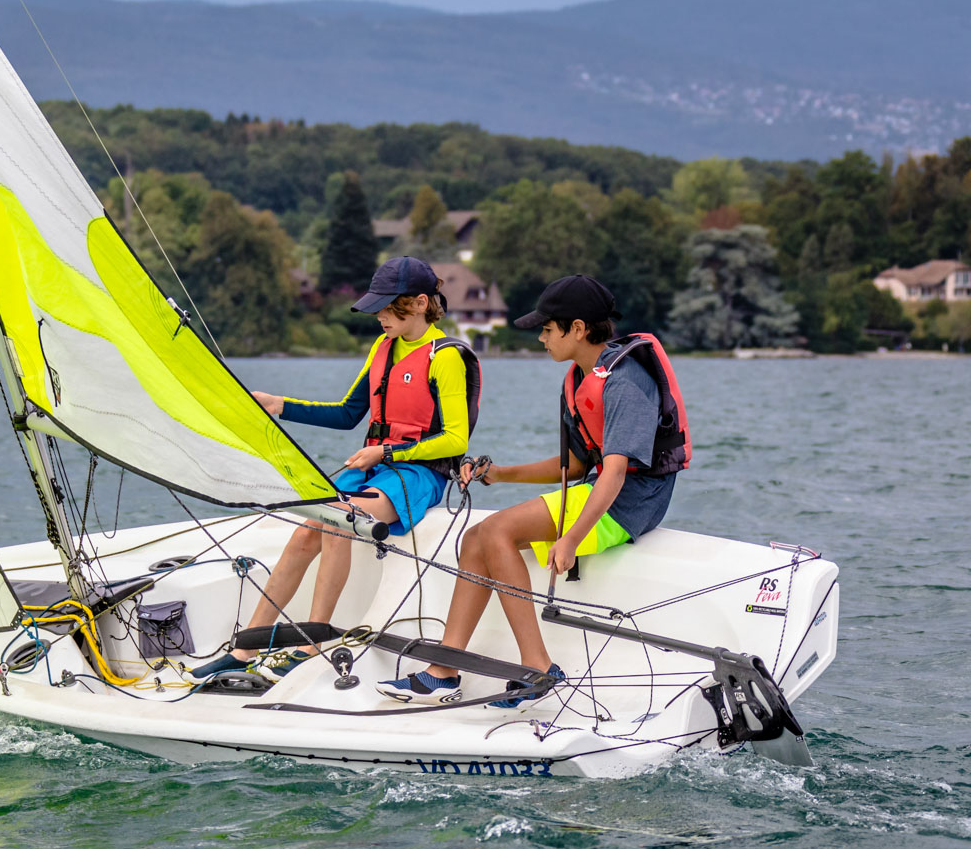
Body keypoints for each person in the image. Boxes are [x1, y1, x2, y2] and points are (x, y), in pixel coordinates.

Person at [377, 274, 690, 706]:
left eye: (546, 329)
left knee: (497, 532)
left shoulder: (624, 380)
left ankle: (539, 669)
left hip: (632, 502)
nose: (541, 338)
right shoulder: (579, 378)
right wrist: (500, 473)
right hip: (606, 490)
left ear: (577, 329)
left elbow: (616, 472)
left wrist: (572, 538)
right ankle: (445, 670)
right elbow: (576, 464)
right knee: (475, 539)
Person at [191, 256, 480, 683]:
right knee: (305, 532)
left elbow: (457, 440)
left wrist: (386, 453)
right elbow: (347, 414)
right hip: (376, 466)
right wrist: (279, 405)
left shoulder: (446, 357)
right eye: (377, 308)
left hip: (419, 474)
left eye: (389, 308)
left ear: (421, 303)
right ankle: (245, 648)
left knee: (338, 519)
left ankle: (313, 644)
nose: (380, 316)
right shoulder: (383, 348)